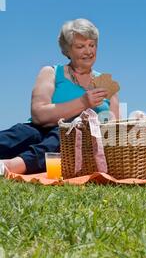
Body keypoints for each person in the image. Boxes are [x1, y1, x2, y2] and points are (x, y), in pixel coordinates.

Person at [0, 18, 120, 175]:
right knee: (24, 134)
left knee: (66, 134)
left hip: (78, 142)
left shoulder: (107, 83)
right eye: (80, 46)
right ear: (67, 50)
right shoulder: (51, 72)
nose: (88, 51)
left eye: (92, 45)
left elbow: (115, 129)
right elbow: (39, 115)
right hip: (39, 129)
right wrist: (83, 102)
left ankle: (9, 167)